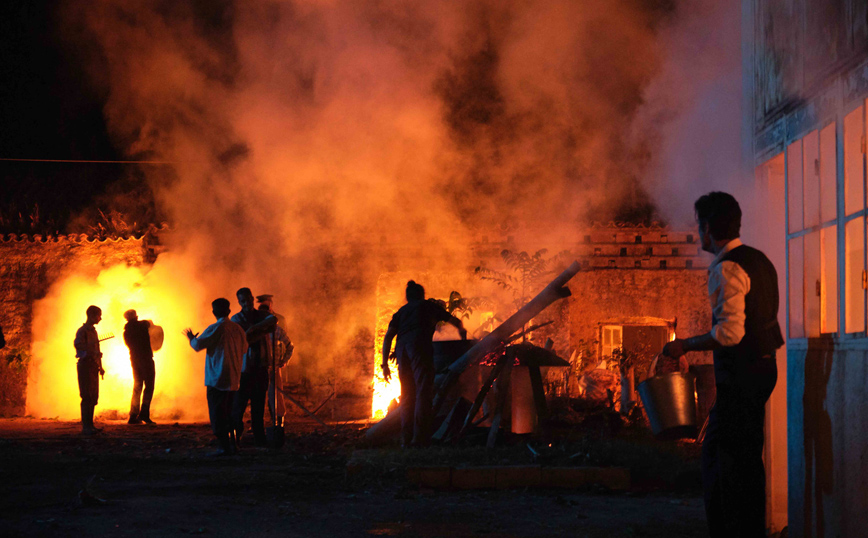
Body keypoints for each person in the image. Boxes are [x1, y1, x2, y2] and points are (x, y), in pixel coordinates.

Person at [661, 192, 783, 538]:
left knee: (726, 464)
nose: (696, 232)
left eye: (698, 224)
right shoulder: (759, 260)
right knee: (737, 459)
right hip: (762, 369)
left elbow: (729, 334)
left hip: (742, 376)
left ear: (709, 227)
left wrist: (684, 345)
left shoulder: (726, 268)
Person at [381, 280, 467, 447]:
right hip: (419, 347)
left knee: (407, 395)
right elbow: (455, 322)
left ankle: (405, 440)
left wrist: (384, 365)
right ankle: (419, 439)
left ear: (407, 297)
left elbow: (388, 336)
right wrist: (462, 333)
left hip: (401, 351)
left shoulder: (401, 312)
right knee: (423, 392)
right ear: (422, 295)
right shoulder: (428, 306)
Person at [185, 298, 248, 456]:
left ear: (214, 312)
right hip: (234, 378)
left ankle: (223, 447)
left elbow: (198, 345)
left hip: (217, 379)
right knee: (231, 412)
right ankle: (234, 444)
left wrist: (192, 338)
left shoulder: (215, 328)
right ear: (229, 310)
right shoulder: (238, 329)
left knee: (218, 414)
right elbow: (245, 349)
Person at [231, 288, 278, 447]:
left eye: (249, 299)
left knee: (258, 407)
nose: (247, 303)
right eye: (243, 301)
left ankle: (260, 439)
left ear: (252, 298)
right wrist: (258, 330)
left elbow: (273, 319)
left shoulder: (260, 315)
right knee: (239, 406)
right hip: (245, 370)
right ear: (239, 302)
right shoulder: (236, 319)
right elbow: (245, 339)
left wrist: (253, 329)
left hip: (261, 367)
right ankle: (235, 438)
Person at [256, 295, 294, 428]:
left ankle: (278, 419)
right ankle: (259, 422)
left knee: (275, 393)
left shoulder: (278, 324)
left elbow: (288, 344)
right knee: (259, 394)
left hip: (274, 365)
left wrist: (283, 361)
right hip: (259, 366)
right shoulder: (256, 326)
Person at [74, 305, 105, 435]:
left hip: (93, 366)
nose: (100, 318)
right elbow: (78, 345)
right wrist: (89, 350)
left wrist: (100, 366)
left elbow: (97, 350)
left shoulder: (94, 331)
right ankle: (86, 427)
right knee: (86, 396)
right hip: (85, 365)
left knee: (93, 396)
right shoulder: (82, 331)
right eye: (99, 315)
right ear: (91, 316)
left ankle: (90, 425)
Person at [123, 309, 156, 425]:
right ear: (136, 316)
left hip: (135, 361)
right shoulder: (142, 325)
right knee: (149, 386)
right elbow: (150, 324)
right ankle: (144, 414)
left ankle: (133, 415)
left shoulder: (126, 332)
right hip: (146, 359)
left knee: (137, 387)